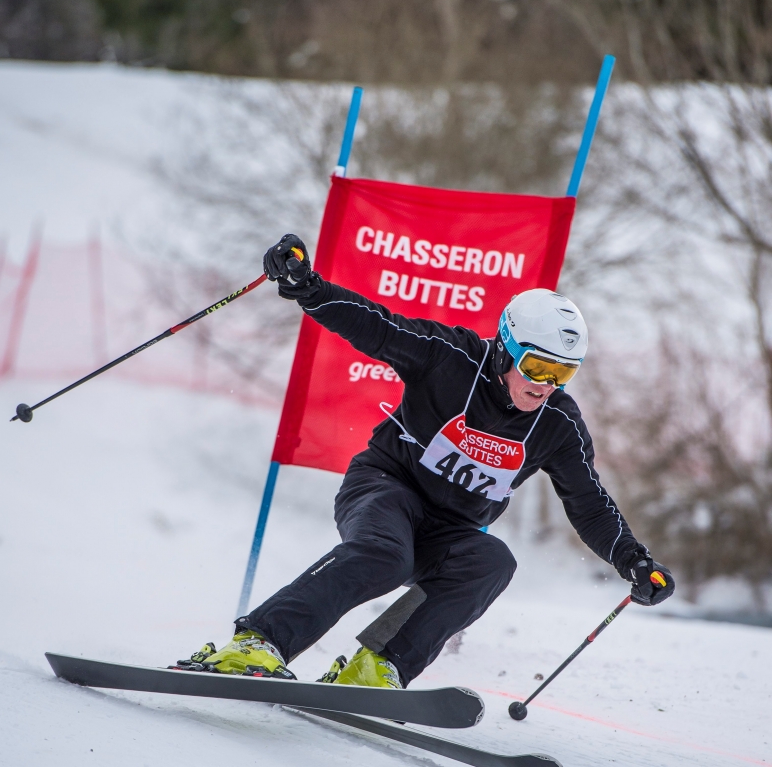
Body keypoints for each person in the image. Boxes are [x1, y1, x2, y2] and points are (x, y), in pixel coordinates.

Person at [175, 234, 674, 687]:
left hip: (452, 529)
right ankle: (259, 642)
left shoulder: (557, 425)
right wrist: (309, 288)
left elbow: (588, 502)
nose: (545, 384)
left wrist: (633, 561)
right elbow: (379, 328)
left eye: (563, 372)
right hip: (386, 486)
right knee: (387, 555)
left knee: (492, 562)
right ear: (506, 347)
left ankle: (378, 664)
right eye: (537, 365)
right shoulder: (452, 359)